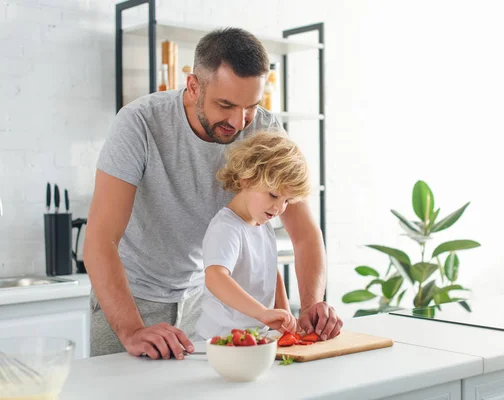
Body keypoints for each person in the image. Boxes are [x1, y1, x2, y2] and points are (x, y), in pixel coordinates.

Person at [83, 27, 342, 360]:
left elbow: (305, 234)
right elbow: (100, 241)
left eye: (251, 106)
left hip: (202, 302)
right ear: (193, 86)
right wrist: (132, 330)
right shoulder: (139, 123)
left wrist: (311, 306)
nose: (239, 121)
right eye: (226, 105)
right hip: (130, 298)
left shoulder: (261, 127)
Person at [196, 132, 310, 340]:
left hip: (253, 335)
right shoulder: (226, 228)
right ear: (246, 179)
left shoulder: (261, 224)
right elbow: (215, 277)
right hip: (220, 337)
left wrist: (285, 318)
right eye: (274, 195)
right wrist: (263, 313)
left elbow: (269, 270)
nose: (279, 208)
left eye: (287, 201)